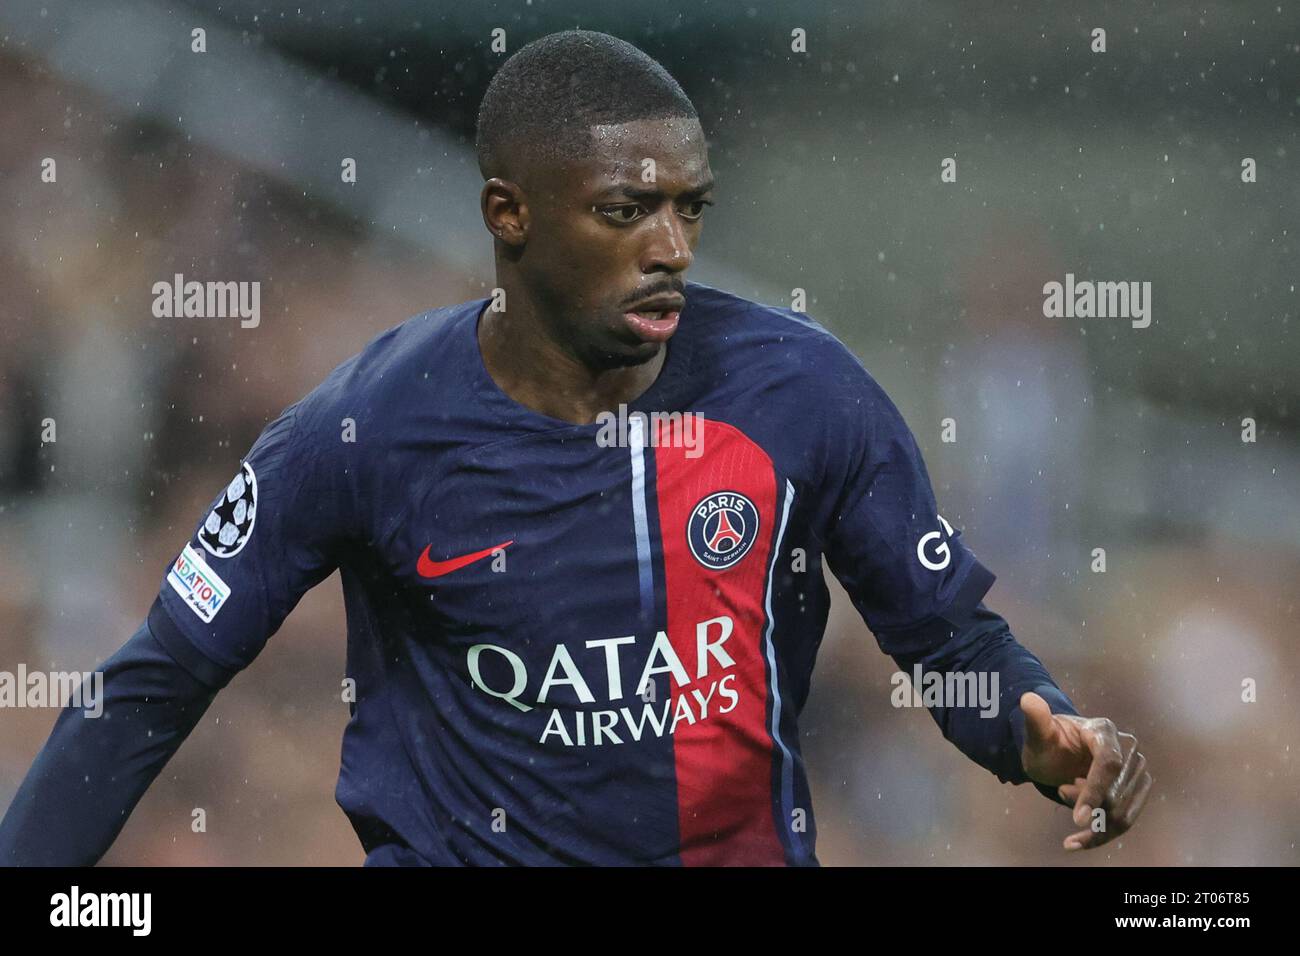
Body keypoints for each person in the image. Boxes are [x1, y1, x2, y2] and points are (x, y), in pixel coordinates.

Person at [0, 29, 1150, 866]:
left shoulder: (804, 392)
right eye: (624, 210)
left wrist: (1035, 727)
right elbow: (155, 680)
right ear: (510, 214)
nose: (670, 249)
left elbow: (946, 634)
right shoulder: (361, 428)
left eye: (689, 210)